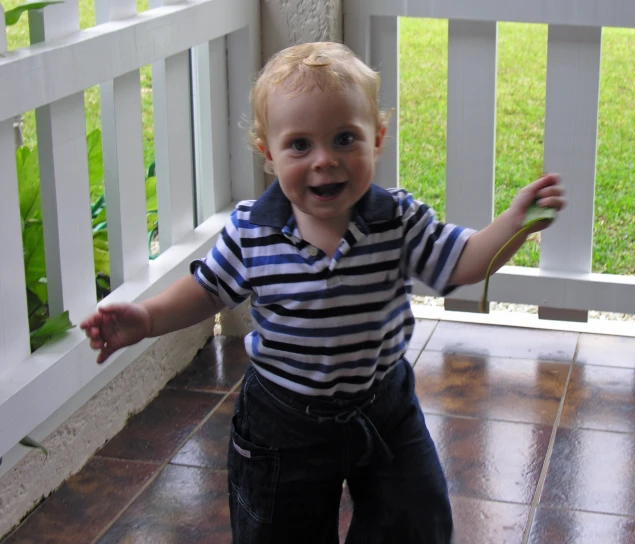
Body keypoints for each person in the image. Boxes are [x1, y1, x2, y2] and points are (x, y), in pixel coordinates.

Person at [80, 41, 565, 543]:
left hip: (384, 410)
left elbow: (462, 261)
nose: (324, 161)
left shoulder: (396, 220)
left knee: (416, 523)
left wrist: (515, 223)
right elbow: (207, 292)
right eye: (299, 145)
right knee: (281, 531)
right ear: (268, 153)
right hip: (283, 422)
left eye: (343, 138)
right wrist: (147, 318)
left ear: (376, 139)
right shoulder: (252, 231)